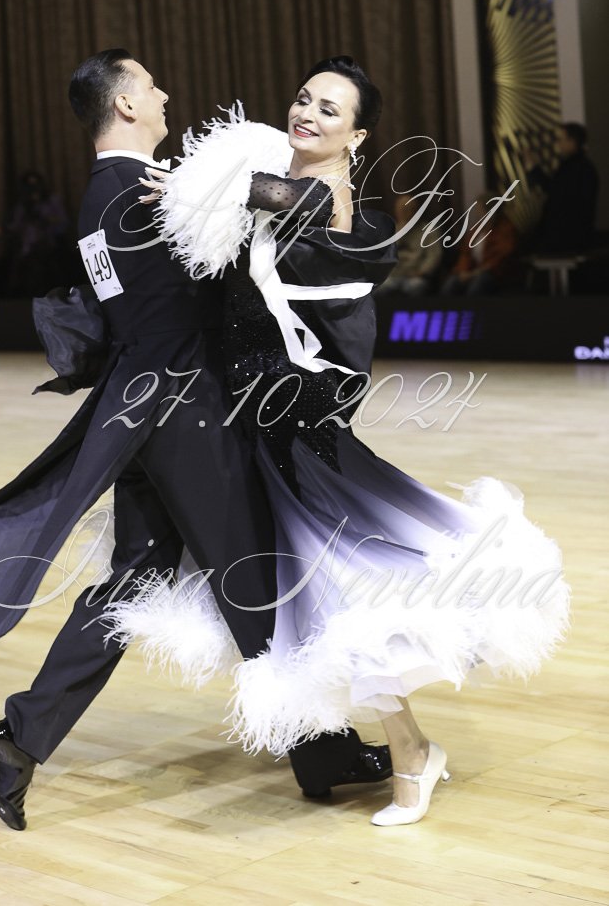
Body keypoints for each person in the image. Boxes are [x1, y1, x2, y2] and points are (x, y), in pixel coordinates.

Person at [116, 56, 570, 827]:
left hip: (299, 435)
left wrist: (191, 184)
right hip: (246, 424)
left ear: (356, 137)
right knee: (308, 603)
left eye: (331, 110)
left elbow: (272, 198)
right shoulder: (266, 179)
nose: (308, 113)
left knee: (349, 599)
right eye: (303, 98)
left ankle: (411, 753)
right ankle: (349, 751)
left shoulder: (327, 197)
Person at [0, 50, 390, 831]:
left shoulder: (102, 195)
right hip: (187, 414)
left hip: (144, 414)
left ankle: (22, 734)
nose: (164, 94)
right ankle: (321, 751)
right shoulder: (144, 194)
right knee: (257, 584)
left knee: (135, 581)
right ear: (124, 105)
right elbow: (288, 225)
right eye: (150, 87)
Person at [525, 123, 599, 254]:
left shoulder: (575, 169)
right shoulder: (582, 168)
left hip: (566, 238)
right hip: (572, 237)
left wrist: (534, 170)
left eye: (561, 139)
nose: (558, 144)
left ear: (572, 141)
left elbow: (556, 192)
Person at [440, 192, 520, 295]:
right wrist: (463, 270)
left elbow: (499, 259)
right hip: (472, 270)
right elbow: (465, 253)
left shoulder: (505, 230)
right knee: (451, 284)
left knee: (476, 286)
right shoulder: (477, 229)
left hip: (493, 273)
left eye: (479, 209)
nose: (477, 213)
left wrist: (474, 274)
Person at [375, 194, 441, 296]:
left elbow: (433, 256)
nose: (404, 213)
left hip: (416, 275)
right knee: (378, 288)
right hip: (394, 276)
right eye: (401, 210)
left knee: (413, 287)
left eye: (408, 209)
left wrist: (421, 272)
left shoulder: (429, 231)